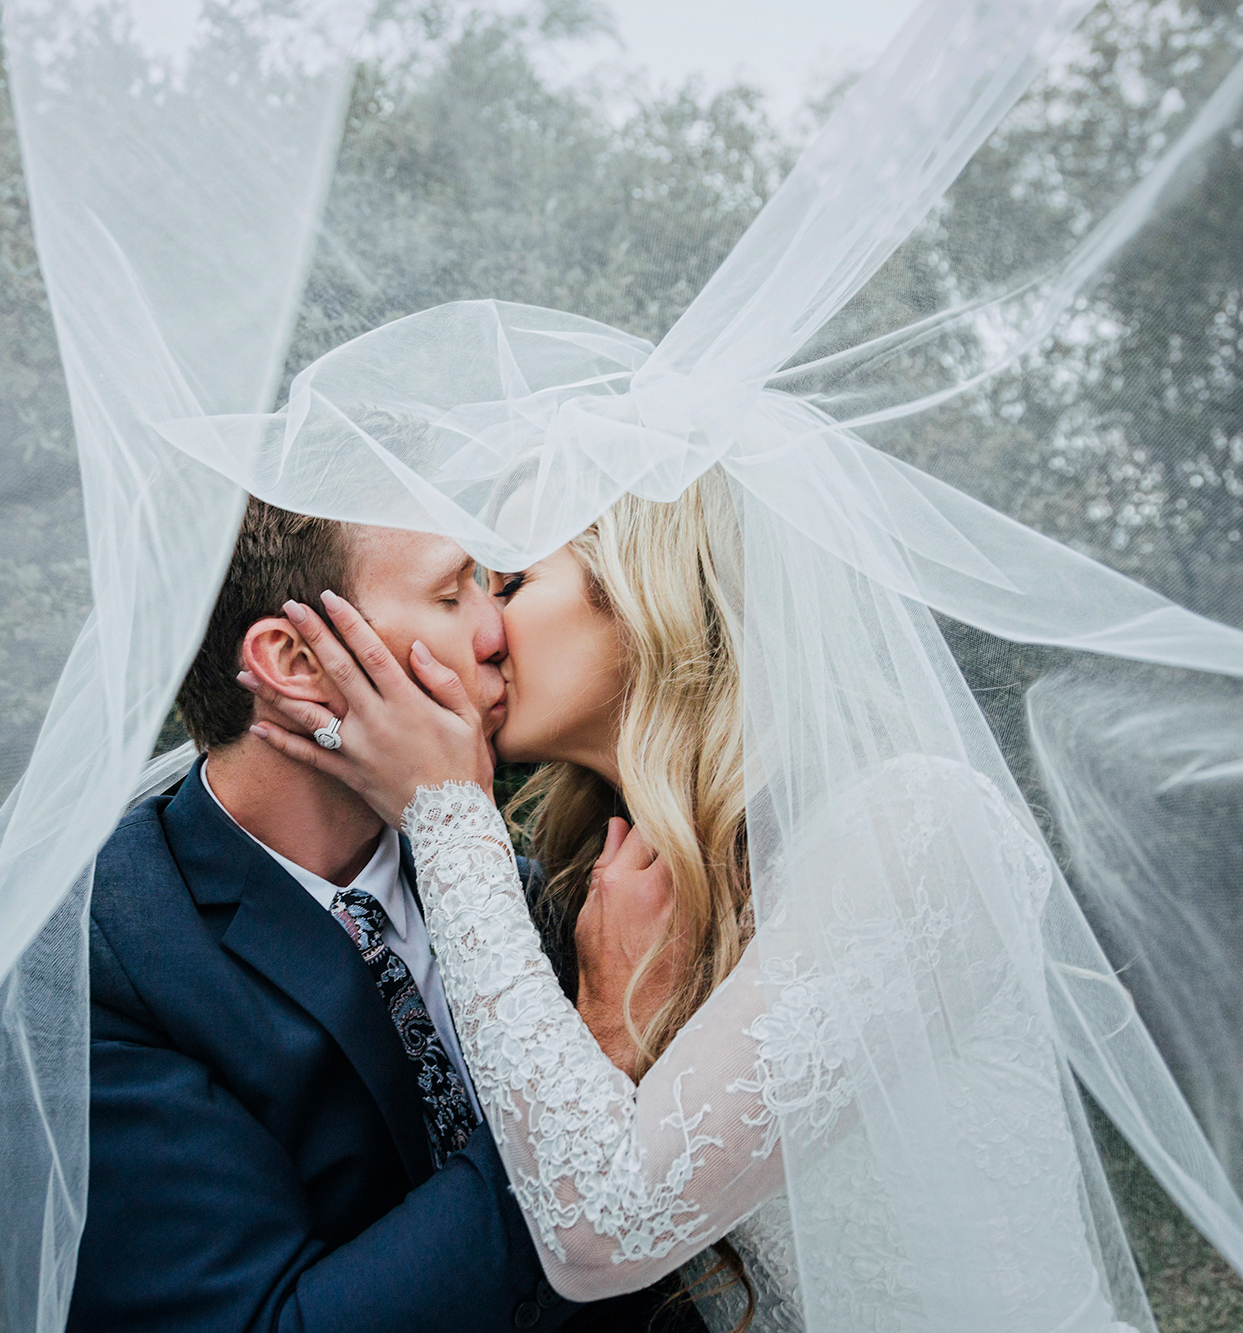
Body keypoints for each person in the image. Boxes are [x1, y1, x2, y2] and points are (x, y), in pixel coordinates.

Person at [245, 475, 1141, 1333]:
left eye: (512, 582)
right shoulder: (606, 888)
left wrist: (447, 816)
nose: (483, 629)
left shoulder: (917, 832)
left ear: (645, 592)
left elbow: (604, 1227)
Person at [67, 498, 705, 1332]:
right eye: (453, 595)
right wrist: (599, 1050)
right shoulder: (111, 957)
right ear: (296, 660)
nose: (495, 632)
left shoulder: (537, 899)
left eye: (495, 586)